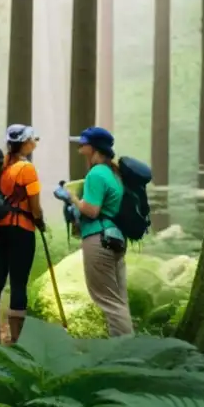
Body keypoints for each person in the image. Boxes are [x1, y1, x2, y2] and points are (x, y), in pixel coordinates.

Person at [66, 126, 133, 337]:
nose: (79, 148)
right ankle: (127, 348)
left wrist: (72, 199)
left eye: (83, 144)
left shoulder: (96, 173)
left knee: (108, 301)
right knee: (118, 300)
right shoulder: (113, 173)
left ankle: (122, 355)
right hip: (115, 238)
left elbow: (92, 210)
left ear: (94, 148)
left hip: (98, 239)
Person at [0, 125, 44, 344]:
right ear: (25, 143)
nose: (35, 141)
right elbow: (34, 206)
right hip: (21, 228)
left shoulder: (1, 166)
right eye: (33, 138)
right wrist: (40, 221)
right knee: (18, 282)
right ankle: (16, 340)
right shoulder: (27, 169)